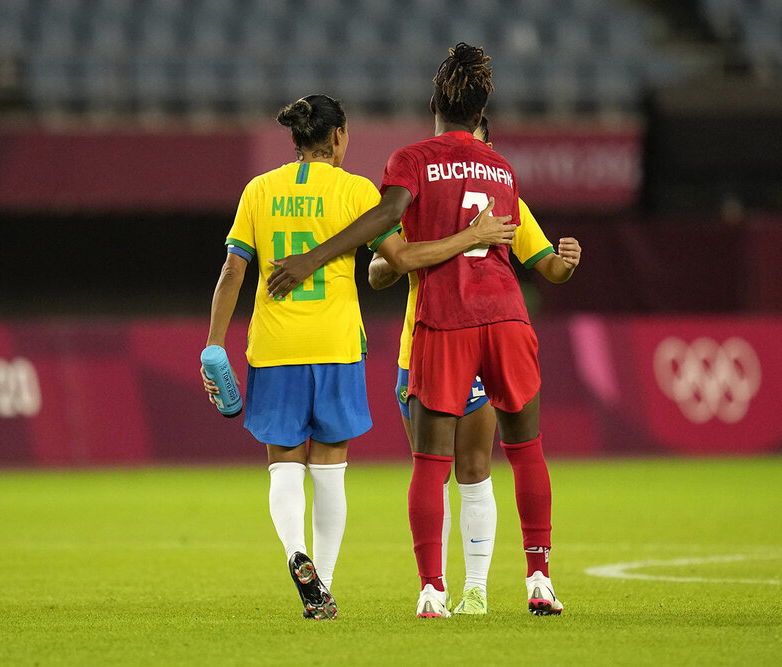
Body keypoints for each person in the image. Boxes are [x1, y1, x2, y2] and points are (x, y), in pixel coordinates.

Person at [265, 43, 566, 618]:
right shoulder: (501, 168)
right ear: (482, 114)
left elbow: (384, 228)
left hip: (444, 320)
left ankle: (433, 590)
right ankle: (540, 579)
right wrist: (560, 259)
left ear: (433, 102)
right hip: (505, 314)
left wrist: (310, 259)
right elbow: (536, 259)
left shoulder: (413, 159)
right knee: (526, 450)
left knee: (433, 464)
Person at [200, 93, 513, 620]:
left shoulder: (259, 190)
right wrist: (473, 236)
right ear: (339, 135)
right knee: (329, 471)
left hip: (275, 346)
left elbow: (233, 272)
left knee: (283, 468)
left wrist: (213, 345)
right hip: (337, 345)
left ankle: (296, 556)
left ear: (296, 140)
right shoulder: (356, 191)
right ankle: (322, 584)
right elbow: (402, 259)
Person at [368, 115, 582, 615]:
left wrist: (565, 262)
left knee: (465, 467)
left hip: (440, 335)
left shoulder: (432, 178)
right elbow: (381, 267)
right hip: (437, 338)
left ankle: (468, 590)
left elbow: (547, 263)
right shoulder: (485, 181)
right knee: (458, 468)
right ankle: (495, 583)